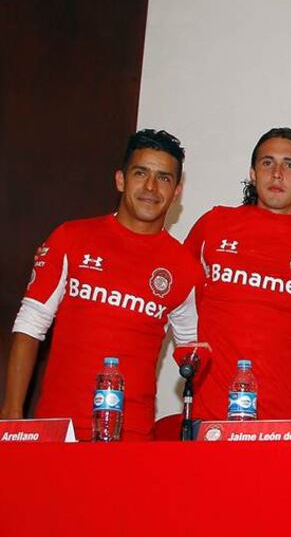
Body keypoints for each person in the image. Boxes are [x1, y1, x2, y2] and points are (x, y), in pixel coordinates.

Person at [2, 130, 202, 441]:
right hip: (58, 431)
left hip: (132, 439)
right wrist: (12, 417)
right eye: (141, 173)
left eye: (163, 178)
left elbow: (192, 352)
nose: (151, 187)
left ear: (176, 191)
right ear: (121, 180)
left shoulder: (185, 267)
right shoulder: (70, 238)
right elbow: (30, 325)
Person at [184, 128, 291, 422]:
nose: (276, 174)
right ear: (252, 173)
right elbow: (173, 304)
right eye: (267, 163)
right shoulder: (213, 226)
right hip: (211, 418)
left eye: (290, 164)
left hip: (285, 422)